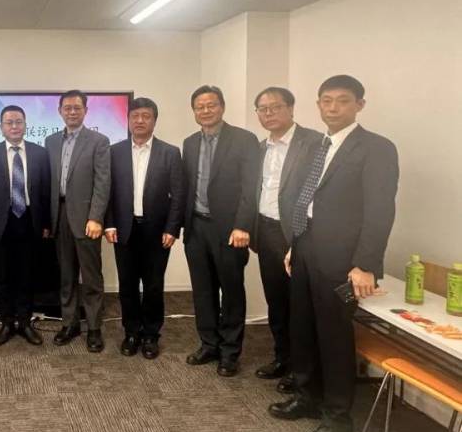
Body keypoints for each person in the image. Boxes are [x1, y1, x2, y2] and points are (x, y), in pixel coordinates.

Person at [269, 75, 398, 432]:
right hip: (305, 249)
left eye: (342, 100)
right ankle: (306, 396)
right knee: (302, 328)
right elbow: (303, 200)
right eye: (326, 101)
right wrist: (295, 244)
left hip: (343, 261)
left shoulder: (376, 148)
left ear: (360, 104)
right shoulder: (316, 145)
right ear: (318, 105)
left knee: (334, 337)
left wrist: (366, 264)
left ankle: (338, 418)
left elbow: (380, 211)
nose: (333, 108)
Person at [182, 85, 259, 377]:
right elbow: (188, 186)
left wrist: (242, 225)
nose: (205, 111)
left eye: (211, 105)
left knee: (232, 291)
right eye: (199, 107)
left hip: (229, 229)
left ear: (222, 107)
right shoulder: (190, 143)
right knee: (202, 291)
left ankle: (230, 352)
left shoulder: (244, 140)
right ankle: (209, 344)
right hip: (196, 227)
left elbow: (251, 188)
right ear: (194, 111)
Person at [251, 86, 322, 392]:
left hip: (298, 235)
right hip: (266, 230)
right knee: (276, 300)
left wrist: (300, 238)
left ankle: (302, 369)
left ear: (291, 108)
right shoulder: (260, 147)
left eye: (275, 107)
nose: (269, 113)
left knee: (300, 306)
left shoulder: (314, 143)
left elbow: (316, 193)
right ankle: (282, 357)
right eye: (263, 109)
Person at [105, 97, 185, 359]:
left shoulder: (170, 152)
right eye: (135, 116)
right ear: (128, 120)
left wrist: (172, 228)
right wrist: (109, 223)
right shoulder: (114, 151)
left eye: (146, 116)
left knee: (153, 285)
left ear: (154, 120)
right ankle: (131, 332)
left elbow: (179, 195)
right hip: (124, 229)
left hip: (157, 232)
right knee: (127, 285)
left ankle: (151, 334)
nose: (139, 121)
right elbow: (107, 192)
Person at [46, 90, 111, 353]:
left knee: (91, 277)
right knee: (66, 275)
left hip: (86, 219)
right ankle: (69, 323)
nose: (72, 112)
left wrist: (96, 217)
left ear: (85, 110)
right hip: (58, 215)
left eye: (77, 108)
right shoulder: (51, 141)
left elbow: (103, 182)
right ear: (60, 111)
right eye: (67, 108)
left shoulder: (98, 141)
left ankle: (94, 328)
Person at [0, 105, 51, 346]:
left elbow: (45, 191)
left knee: (27, 275)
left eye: (18, 122)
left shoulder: (40, 153)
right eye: (9, 122)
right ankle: (7, 323)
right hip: (2, 221)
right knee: (3, 276)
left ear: (25, 125)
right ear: (1, 127)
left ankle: (25, 322)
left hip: (30, 220)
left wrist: (46, 223)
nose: (14, 126)